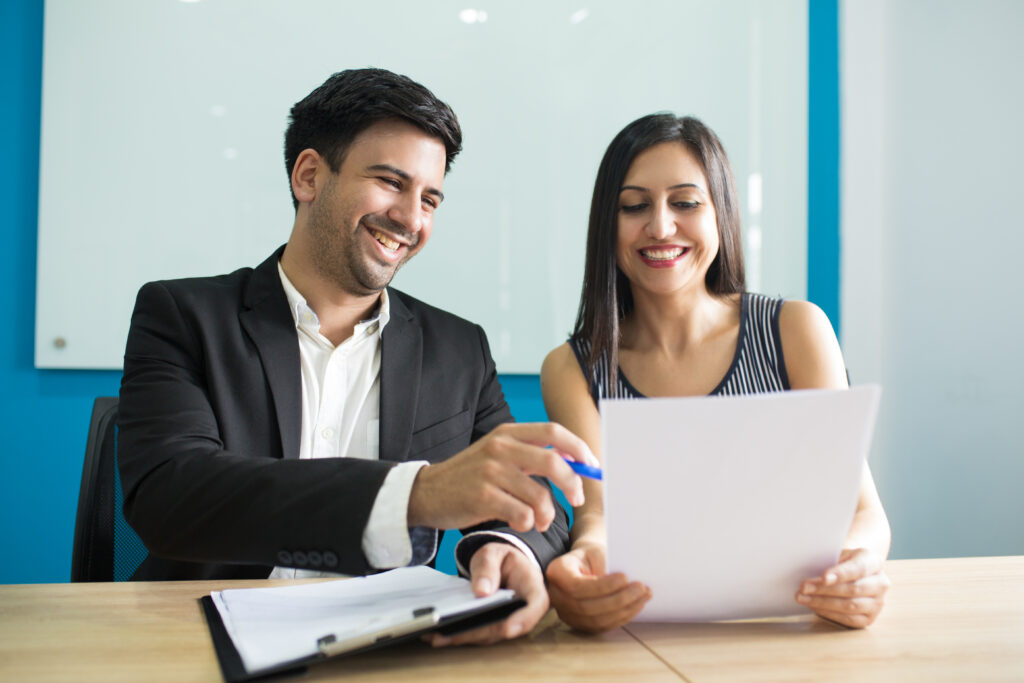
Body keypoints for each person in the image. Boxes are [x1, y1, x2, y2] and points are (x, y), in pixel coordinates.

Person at [117, 68, 597, 646]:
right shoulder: (183, 316)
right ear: (309, 176)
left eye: (430, 199)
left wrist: (505, 545)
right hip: (200, 641)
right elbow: (169, 496)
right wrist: (415, 495)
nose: (412, 219)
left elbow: (532, 504)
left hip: (386, 651)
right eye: (391, 182)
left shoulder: (458, 349)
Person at [540, 113, 891, 632]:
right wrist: (587, 560)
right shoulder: (572, 369)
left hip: (788, 634)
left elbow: (862, 512)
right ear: (606, 226)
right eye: (634, 206)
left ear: (721, 214)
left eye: (685, 203)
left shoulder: (795, 331)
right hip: (645, 636)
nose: (661, 227)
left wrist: (855, 568)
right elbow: (598, 516)